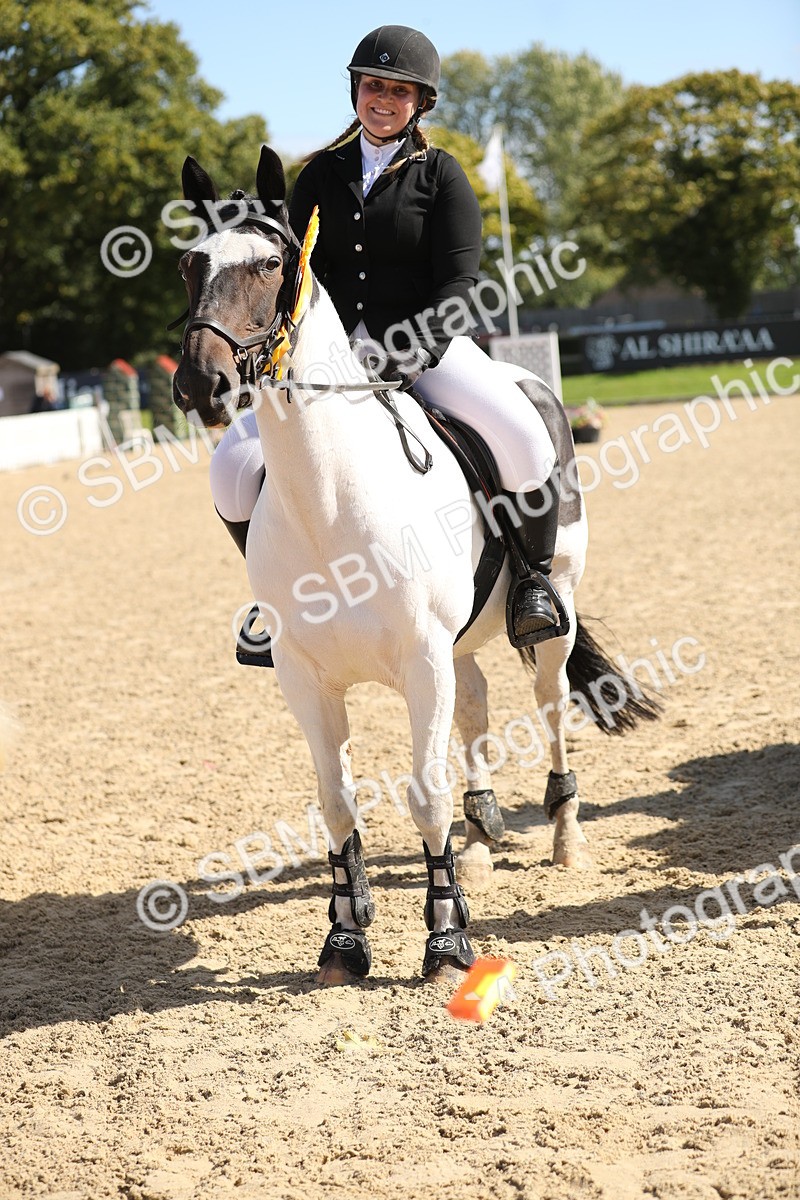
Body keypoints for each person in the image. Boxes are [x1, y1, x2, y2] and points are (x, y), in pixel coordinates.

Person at [210, 24, 564, 663]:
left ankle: (532, 584)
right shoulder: (320, 175)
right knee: (232, 469)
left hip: (428, 346)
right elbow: (288, 267)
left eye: (398, 90)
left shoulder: (443, 176)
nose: (383, 98)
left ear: (419, 102)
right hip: (326, 357)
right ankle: (276, 603)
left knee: (524, 437)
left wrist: (411, 350)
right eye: (373, 85)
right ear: (356, 91)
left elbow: (459, 283)